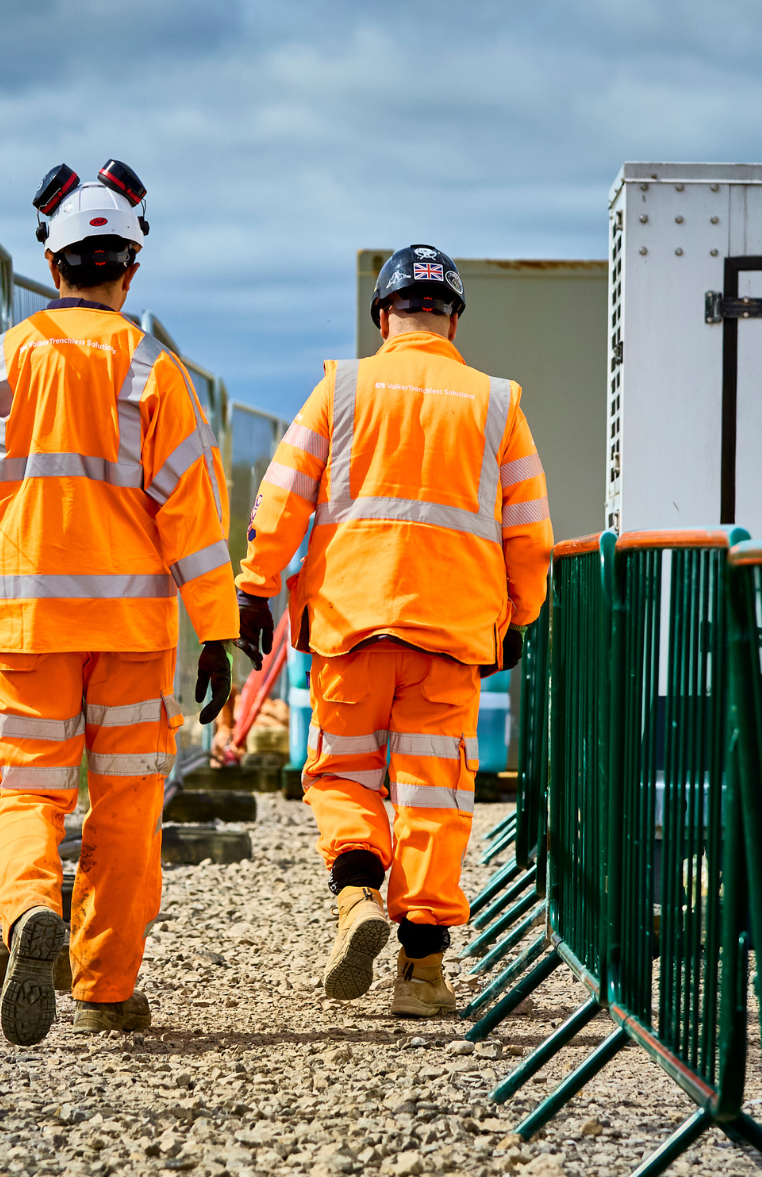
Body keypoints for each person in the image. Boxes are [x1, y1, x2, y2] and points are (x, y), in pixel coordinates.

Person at [0, 159, 239, 1046]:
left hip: (23, 624)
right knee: (128, 805)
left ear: (50, 260)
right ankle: (105, 989)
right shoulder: (155, 371)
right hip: (134, 632)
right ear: (129, 270)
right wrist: (215, 630)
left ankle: (30, 910)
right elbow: (195, 515)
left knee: (24, 792)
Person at [233, 245, 552, 1017]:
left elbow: (282, 499)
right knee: (434, 797)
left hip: (349, 627)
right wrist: (522, 615)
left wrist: (253, 588)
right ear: (452, 318)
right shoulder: (497, 402)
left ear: (384, 315)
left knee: (342, 774)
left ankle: (356, 897)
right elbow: (531, 532)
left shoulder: (339, 388)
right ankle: (422, 973)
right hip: (451, 636)